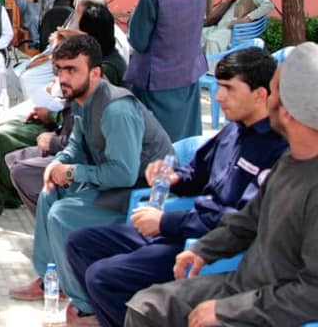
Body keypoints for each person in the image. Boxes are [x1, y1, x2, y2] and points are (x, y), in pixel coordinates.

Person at [66, 47, 287, 327]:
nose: (218, 97)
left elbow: (241, 221)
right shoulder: (233, 130)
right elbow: (195, 173)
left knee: (103, 277)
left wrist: (165, 222)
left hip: (211, 244)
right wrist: (172, 178)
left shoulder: (277, 149)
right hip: (183, 228)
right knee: (80, 244)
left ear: (260, 94)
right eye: (219, 86)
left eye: (229, 88)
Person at [125, 42, 318, 327]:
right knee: (147, 307)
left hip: (275, 307)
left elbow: (311, 293)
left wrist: (229, 311)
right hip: (244, 286)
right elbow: (247, 221)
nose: (267, 99)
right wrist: (204, 249)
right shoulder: (290, 161)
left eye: (274, 92)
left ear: (288, 111)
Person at [8, 35, 172, 321]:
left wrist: (73, 172)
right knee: (49, 194)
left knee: (62, 214)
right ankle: (52, 280)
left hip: (142, 193)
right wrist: (58, 164)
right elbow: (75, 145)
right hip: (114, 184)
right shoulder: (82, 100)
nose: (63, 78)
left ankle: (87, 306)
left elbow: (124, 173)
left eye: (72, 70)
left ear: (95, 72)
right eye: (60, 69)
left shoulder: (116, 109)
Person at [0, 5, 125, 218]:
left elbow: (85, 117)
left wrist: (51, 116)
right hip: (60, 120)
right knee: (6, 128)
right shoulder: (97, 57)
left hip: (68, 133)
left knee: (2, 138)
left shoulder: (103, 68)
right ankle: (6, 194)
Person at [124, 0, 208, 141]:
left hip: (157, 82)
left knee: (158, 146)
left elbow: (138, 40)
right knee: (186, 141)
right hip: (188, 75)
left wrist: (134, 15)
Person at [201, 0, 274, 54]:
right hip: (217, 28)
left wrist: (249, 17)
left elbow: (268, 5)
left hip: (233, 31)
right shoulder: (232, 1)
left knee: (212, 40)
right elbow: (212, 18)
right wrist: (225, 0)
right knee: (195, 34)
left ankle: (211, 62)